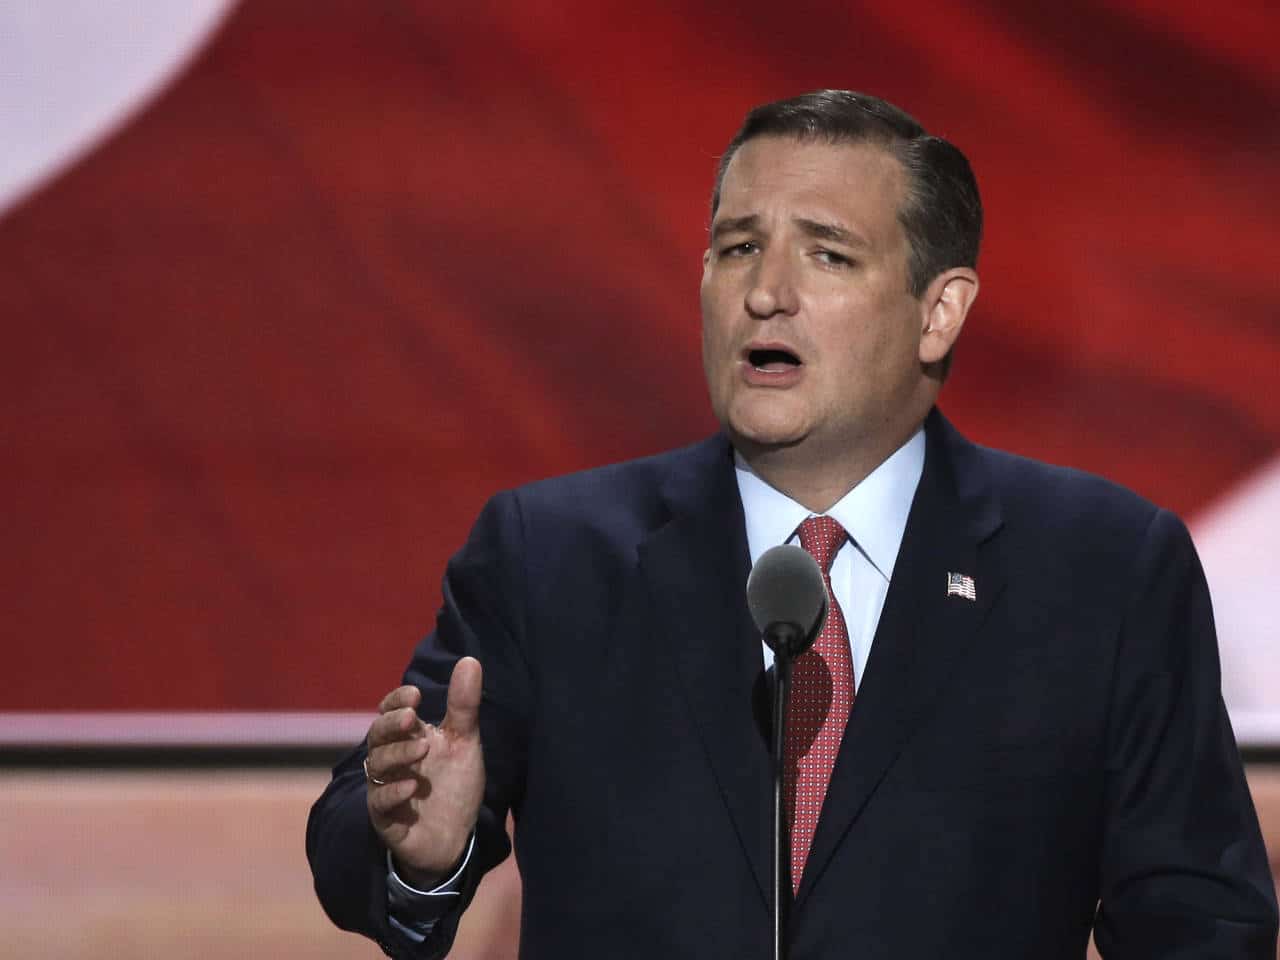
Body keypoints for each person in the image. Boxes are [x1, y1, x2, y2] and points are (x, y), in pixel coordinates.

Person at [307, 90, 1278, 958]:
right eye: (735, 248)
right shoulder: (549, 553)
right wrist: (419, 854)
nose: (763, 292)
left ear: (937, 312)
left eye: (825, 253)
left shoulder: (1098, 568)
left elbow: (1200, 917)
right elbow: (364, 833)